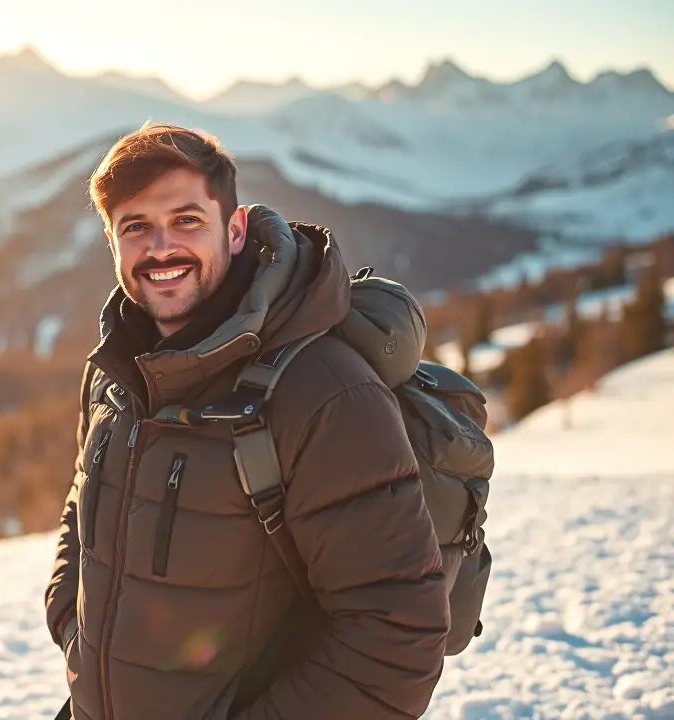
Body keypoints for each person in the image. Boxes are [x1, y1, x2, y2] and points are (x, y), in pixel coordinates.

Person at [44, 122, 450, 719]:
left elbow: (397, 638)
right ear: (112, 243)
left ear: (234, 230)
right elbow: (84, 509)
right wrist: (73, 623)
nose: (160, 249)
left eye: (186, 220)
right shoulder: (115, 373)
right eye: (135, 227)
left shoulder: (322, 391)